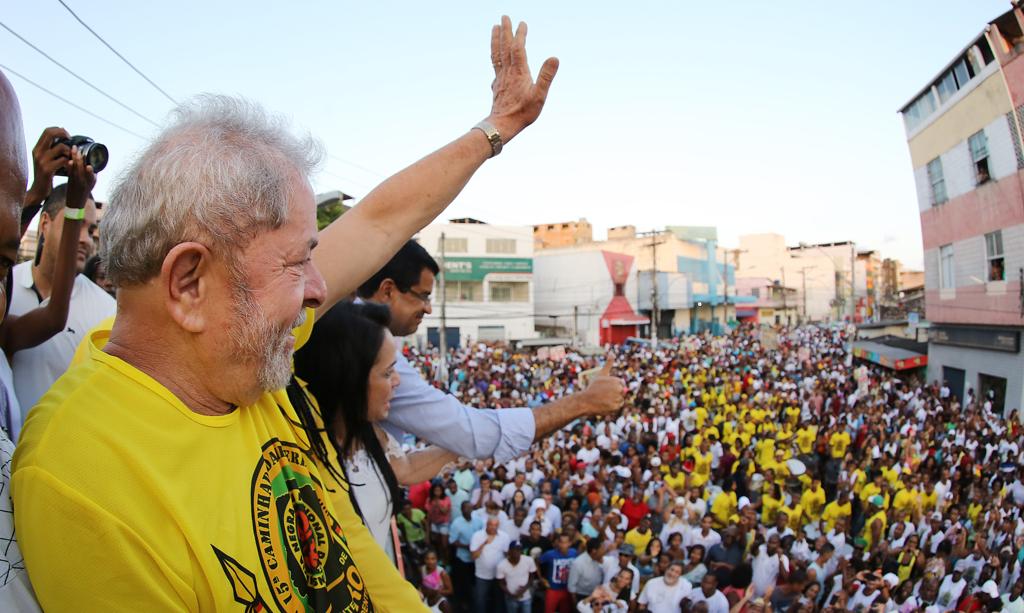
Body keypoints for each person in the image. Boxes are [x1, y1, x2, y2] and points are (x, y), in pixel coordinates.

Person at [12, 15, 561, 609]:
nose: (322, 290)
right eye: (296, 263)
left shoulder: (237, 350)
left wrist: (497, 128)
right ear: (189, 284)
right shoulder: (83, 482)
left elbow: (378, 220)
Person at [357, 240, 624, 464]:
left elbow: (409, 465)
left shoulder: (360, 328)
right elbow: (472, 434)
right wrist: (583, 402)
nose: (428, 309)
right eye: (423, 296)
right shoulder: (364, 343)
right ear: (388, 290)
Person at [293, 300, 458, 560]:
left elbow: (405, 468)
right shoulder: (299, 461)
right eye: (387, 373)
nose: (397, 381)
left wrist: (468, 445)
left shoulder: (370, 435)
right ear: (350, 378)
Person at [11, 170, 115, 411]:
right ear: (44, 223)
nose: (86, 240)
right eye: (76, 224)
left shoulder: (107, 312)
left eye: (91, 231)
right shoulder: (6, 290)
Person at [471, 517, 512, 612]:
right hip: (482, 575)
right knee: (480, 601)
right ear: (487, 524)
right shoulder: (477, 536)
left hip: (498, 575)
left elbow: (507, 556)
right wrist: (484, 543)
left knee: (499, 601)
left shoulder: (504, 536)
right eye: (491, 525)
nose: (493, 527)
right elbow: (473, 556)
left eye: (495, 525)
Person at [449, 501, 482, 612]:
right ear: (462, 510)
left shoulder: (478, 521)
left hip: (476, 559)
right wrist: (466, 546)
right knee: (463, 583)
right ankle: (464, 603)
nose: (468, 510)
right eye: (465, 508)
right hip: (463, 559)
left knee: (474, 583)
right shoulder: (456, 523)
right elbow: (452, 541)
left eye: (470, 508)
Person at [540, 533, 578, 613]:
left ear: (570, 543)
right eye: (560, 542)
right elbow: (537, 562)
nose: (562, 545)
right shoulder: (550, 554)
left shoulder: (574, 553)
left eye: (565, 542)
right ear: (558, 543)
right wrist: (541, 578)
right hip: (553, 589)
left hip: (567, 589)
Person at [497, 540, 537, 613]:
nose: (517, 552)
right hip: (510, 598)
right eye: (514, 549)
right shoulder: (501, 565)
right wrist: (511, 594)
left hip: (526, 597)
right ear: (509, 551)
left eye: (519, 550)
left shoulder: (529, 560)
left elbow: (532, 577)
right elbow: (501, 583)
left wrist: (524, 589)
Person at [569, 538, 607, 604]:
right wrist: (576, 605)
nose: (604, 551)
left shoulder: (601, 560)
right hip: (581, 597)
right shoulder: (578, 563)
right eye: (602, 549)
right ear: (594, 551)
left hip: (596, 595)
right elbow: (571, 587)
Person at [420, 548, 454, 613]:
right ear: (424, 560)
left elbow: (450, 590)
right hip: (427, 600)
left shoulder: (442, 573)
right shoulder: (423, 569)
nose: (430, 562)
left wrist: (436, 592)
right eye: (427, 559)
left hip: (439, 602)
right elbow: (422, 584)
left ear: (437, 560)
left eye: (433, 559)